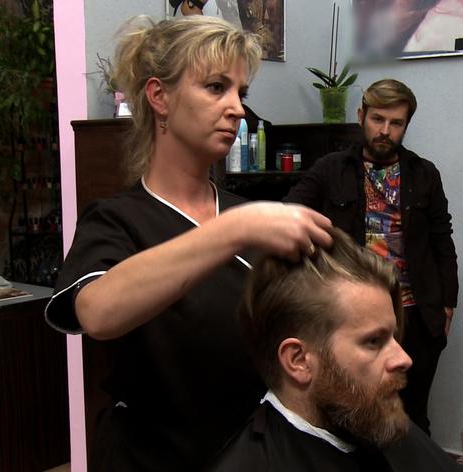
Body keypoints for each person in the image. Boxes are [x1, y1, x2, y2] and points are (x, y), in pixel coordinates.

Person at [45, 16, 332, 471]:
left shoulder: (253, 219)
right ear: (159, 96)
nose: (237, 109)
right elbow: (96, 313)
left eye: (241, 93)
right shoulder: (118, 221)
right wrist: (233, 230)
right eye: (216, 87)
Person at [285, 79, 459, 435]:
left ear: (406, 126)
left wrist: (447, 303)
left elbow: (442, 240)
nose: (385, 131)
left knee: (412, 417)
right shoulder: (331, 169)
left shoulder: (424, 174)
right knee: (357, 414)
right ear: (361, 115)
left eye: (396, 123)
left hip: (415, 314)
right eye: (378, 119)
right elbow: (288, 214)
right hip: (353, 314)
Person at [209, 228, 463, 471]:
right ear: (298, 360)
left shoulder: (372, 416)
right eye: (373, 341)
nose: (404, 359)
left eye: (393, 337)